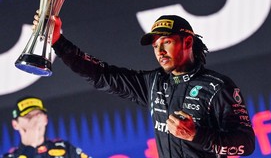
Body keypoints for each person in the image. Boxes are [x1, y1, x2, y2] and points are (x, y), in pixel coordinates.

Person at [39, 14, 255, 157]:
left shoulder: (218, 87)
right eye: (155, 46)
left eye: (167, 42)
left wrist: (196, 135)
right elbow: (101, 74)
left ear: (187, 42)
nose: (160, 52)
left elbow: (246, 144)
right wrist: (58, 41)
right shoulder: (153, 83)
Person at [2, 96, 91, 158]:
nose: (35, 120)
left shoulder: (64, 148)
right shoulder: (11, 156)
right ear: (15, 124)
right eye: (28, 116)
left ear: (46, 119)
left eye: (38, 115)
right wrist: (30, 147)